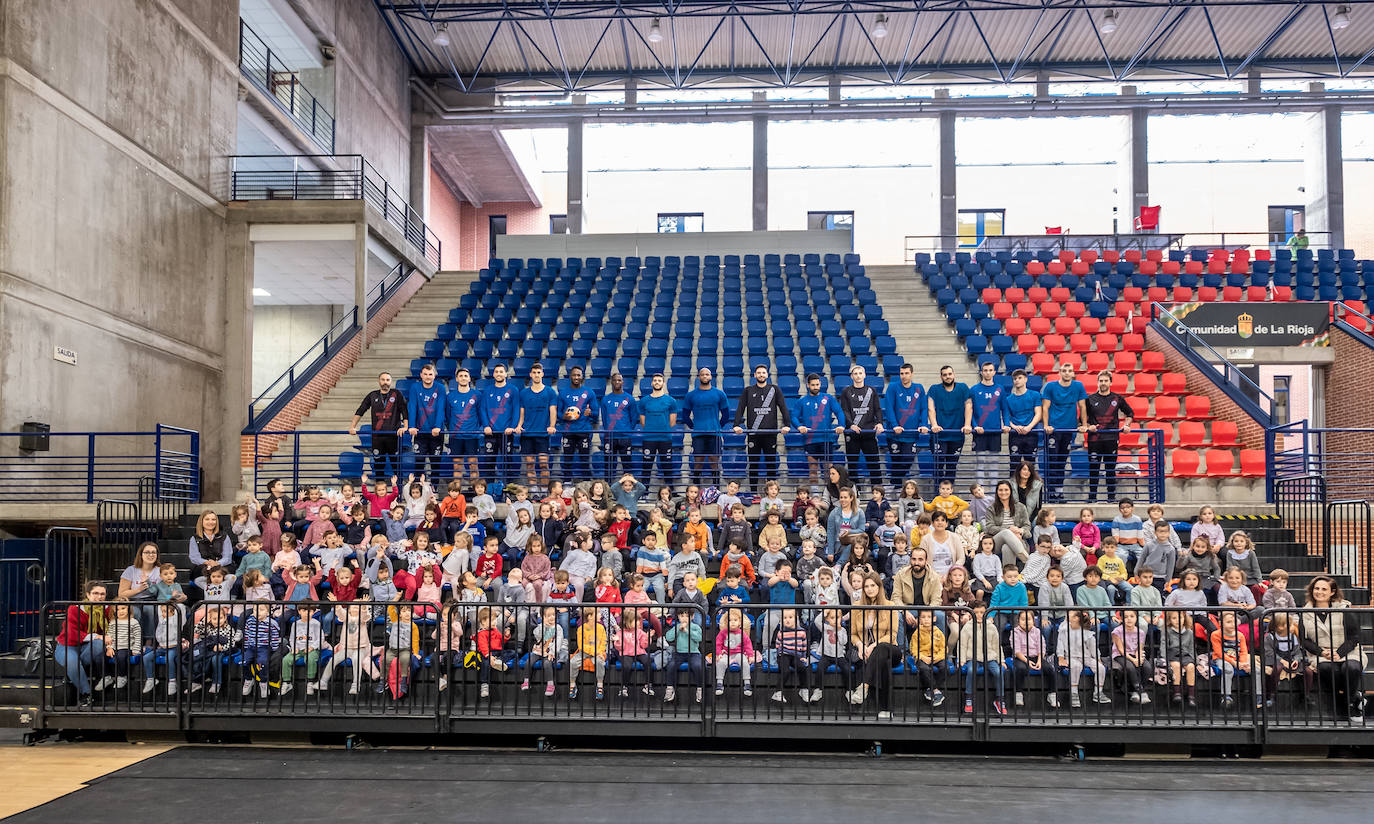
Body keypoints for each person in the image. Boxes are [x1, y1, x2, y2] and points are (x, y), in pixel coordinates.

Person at [1300, 575, 1365, 721]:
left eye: (1324, 589)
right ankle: (1354, 697)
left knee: (1351, 668)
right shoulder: (1305, 612)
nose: (1319, 592)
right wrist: (1321, 652)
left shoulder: (1344, 609)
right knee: (1327, 669)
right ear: (1312, 590)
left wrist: (1339, 652)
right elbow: (1303, 640)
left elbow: (1354, 637)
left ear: (1332, 592)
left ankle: (1350, 705)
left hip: (1348, 650)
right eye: (1317, 588)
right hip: (1321, 653)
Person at [850, 573, 902, 719]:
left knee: (881, 649)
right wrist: (860, 645)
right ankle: (885, 708)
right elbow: (853, 634)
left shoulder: (890, 606)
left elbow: (892, 634)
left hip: (890, 648)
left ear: (879, 587)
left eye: (873, 585)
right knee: (883, 663)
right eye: (866, 586)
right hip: (867, 650)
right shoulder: (856, 607)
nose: (869, 589)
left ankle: (864, 686)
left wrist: (873, 645)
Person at [733, 365, 792, 494]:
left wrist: (787, 424)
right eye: (758, 373)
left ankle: (772, 492)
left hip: (770, 434)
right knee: (753, 464)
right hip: (753, 433)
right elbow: (740, 408)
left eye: (763, 372)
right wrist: (736, 424)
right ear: (754, 375)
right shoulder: (748, 390)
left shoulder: (774, 390)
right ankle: (753, 492)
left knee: (771, 464)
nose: (761, 375)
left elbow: (783, 407)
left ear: (767, 374)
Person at [56, 581, 109, 706]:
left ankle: (72, 674)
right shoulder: (75, 608)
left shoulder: (107, 609)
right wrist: (97, 636)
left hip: (88, 646)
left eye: (103, 594)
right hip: (68, 644)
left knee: (98, 645)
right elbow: (71, 633)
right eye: (95, 593)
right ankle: (86, 694)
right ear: (87, 594)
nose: (99, 597)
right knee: (72, 661)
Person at [1040, 362, 1087, 502]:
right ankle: (1050, 493)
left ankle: (1059, 492)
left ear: (1073, 373)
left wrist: (1084, 425)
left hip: (1069, 429)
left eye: (1070, 370)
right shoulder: (1050, 386)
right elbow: (1045, 407)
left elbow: (1082, 406)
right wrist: (1046, 425)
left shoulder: (1078, 386)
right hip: (1053, 430)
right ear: (1059, 372)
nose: (1067, 373)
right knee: (1051, 461)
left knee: (1062, 462)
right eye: (1064, 370)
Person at [1084, 371, 1132, 503]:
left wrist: (1127, 425)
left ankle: (1111, 498)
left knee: (1110, 469)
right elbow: (1082, 419)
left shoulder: (1117, 398)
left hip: (1111, 439)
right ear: (1098, 382)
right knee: (1094, 470)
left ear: (1110, 382)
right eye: (1101, 381)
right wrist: (1088, 426)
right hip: (1094, 440)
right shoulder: (1090, 399)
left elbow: (1130, 413)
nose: (1103, 383)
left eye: (1106, 381)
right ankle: (1092, 498)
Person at [349, 371, 408, 480]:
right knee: (378, 467)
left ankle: (398, 493)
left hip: (393, 437)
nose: (385, 382)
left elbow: (404, 410)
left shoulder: (397, 394)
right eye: (383, 379)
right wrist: (352, 426)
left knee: (396, 467)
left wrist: (405, 427)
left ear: (391, 381)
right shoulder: (373, 395)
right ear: (379, 381)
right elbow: (361, 410)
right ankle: (379, 495)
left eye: (387, 380)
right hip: (377, 437)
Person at [680, 367, 730, 486]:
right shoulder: (691, 395)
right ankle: (695, 489)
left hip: (715, 434)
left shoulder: (719, 394)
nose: (705, 376)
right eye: (702, 374)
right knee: (698, 462)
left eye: (707, 374)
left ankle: (716, 489)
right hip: (698, 435)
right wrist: (695, 426)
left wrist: (717, 426)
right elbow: (685, 415)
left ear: (711, 376)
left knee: (714, 462)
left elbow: (726, 414)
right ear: (698, 377)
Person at [839, 364, 885, 491]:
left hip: (869, 433)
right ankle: (854, 491)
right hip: (852, 434)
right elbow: (844, 410)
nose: (858, 375)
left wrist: (880, 422)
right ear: (851, 376)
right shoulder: (846, 391)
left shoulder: (871, 391)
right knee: (852, 464)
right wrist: (851, 425)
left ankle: (878, 491)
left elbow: (878, 409)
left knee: (874, 463)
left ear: (864, 375)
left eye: (860, 373)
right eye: (855, 373)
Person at [794, 373, 844, 489]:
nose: (815, 387)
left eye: (817, 384)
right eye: (813, 385)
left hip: (826, 439)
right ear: (808, 385)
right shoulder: (802, 401)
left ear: (820, 384)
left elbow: (839, 412)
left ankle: (829, 493)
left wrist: (841, 425)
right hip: (810, 440)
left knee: (829, 470)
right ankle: (815, 494)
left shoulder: (828, 398)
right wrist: (799, 426)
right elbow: (794, 417)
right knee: (813, 468)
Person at [883, 363, 929, 488]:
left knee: (908, 459)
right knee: (896, 461)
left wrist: (923, 424)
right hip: (894, 434)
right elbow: (889, 408)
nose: (904, 376)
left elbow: (924, 408)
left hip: (911, 433)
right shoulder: (893, 387)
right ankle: (897, 488)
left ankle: (894, 483)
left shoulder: (919, 388)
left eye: (907, 373)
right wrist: (894, 425)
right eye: (902, 373)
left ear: (912, 374)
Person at [927, 365, 972, 486]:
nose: (948, 377)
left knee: (952, 465)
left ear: (954, 374)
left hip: (957, 435)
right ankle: (938, 492)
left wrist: (967, 424)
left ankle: (949, 493)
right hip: (939, 436)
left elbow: (968, 405)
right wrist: (934, 424)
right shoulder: (934, 389)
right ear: (941, 377)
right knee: (938, 464)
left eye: (949, 374)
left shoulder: (962, 388)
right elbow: (931, 408)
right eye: (945, 375)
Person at [516, 362, 559, 491]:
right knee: (530, 464)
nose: (536, 375)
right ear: (530, 374)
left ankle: (545, 490)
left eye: (538, 372)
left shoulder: (550, 392)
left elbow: (553, 410)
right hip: (527, 433)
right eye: (534, 372)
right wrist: (519, 426)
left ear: (542, 374)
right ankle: (534, 489)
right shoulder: (523, 393)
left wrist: (552, 426)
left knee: (544, 464)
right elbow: (522, 412)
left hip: (543, 434)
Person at [479, 363, 520, 483]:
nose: (499, 374)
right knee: (489, 462)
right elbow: (483, 409)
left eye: (501, 371)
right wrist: (486, 426)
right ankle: (490, 489)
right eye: (496, 372)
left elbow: (516, 410)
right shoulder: (487, 390)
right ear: (493, 374)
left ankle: (508, 488)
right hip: (490, 433)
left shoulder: (513, 390)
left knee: (508, 461)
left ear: (506, 374)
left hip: (507, 433)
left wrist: (512, 427)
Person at [557, 365, 599, 482]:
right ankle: (566, 483)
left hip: (583, 431)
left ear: (582, 376)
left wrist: (589, 412)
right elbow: (558, 414)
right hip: (568, 431)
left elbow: (596, 413)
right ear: (570, 376)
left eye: (578, 375)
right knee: (567, 459)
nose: (576, 377)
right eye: (574, 375)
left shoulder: (589, 392)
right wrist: (564, 416)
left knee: (584, 460)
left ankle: (586, 483)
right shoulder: (563, 393)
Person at [407, 362, 447, 482]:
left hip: (436, 433)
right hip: (420, 432)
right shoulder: (415, 387)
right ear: (421, 375)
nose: (428, 376)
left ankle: (434, 489)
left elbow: (441, 408)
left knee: (436, 463)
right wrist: (412, 426)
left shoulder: (440, 388)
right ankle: (418, 489)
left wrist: (437, 427)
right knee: (419, 463)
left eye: (430, 374)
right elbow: (412, 406)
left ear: (434, 375)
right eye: (425, 374)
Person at [638, 373, 679, 488]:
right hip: (649, 438)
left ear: (663, 383)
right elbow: (642, 422)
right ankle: (644, 492)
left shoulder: (671, 401)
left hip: (665, 438)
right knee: (646, 466)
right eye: (655, 380)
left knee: (667, 466)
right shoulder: (644, 401)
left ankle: (670, 490)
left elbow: (672, 422)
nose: (657, 382)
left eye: (659, 380)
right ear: (652, 383)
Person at [969, 361, 1006, 492]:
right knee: (980, 463)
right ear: (981, 372)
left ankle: (993, 492)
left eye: (990, 370)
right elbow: (970, 411)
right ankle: (979, 491)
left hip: (995, 431)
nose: (988, 373)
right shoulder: (974, 389)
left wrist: (1006, 424)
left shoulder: (1000, 389)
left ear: (994, 372)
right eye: (985, 370)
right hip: (979, 432)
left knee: (994, 463)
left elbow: (1004, 409)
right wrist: (974, 426)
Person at [1000, 369, 1043, 473]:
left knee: (1031, 465)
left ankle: (1031, 489)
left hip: (1031, 434)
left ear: (1026, 379)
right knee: (1014, 465)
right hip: (1015, 435)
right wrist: (1014, 427)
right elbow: (1006, 417)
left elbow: (1038, 413)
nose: (1017, 380)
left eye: (1020, 378)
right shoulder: (1008, 399)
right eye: (1015, 379)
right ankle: (1013, 489)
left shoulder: (1035, 395)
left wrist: (1029, 427)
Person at [445, 367, 483, 482]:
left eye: (466, 376)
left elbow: (480, 415)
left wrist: (474, 428)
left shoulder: (477, 395)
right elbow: (448, 416)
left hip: (472, 436)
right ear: (456, 379)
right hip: (456, 437)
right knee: (457, 467)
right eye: (460, 376)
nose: (463, 378)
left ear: (470, 379)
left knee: (473, 466)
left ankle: (476, 492)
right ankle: (457, 494)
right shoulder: (450, 396)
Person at [600, 372, 639, 481]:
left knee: (627, 465)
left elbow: (634, 418)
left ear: (622, 382)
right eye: (615, 380)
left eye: (619, 380)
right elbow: (604, 418)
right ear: (611, 382)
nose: (617, 382)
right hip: (610, 437)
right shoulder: (605, 399)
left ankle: (628, 489)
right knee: (609, 465)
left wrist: (627, 430)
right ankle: (607, 488)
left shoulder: (629, 399)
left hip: (625, 437)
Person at [983, 480, 1031, 566]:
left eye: (1006, 490)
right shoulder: (991, 508)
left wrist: (1020, 531)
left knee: (1007, 548)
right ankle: (1028, 561)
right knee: (1006, 532)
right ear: (997, 492)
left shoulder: (1020, 507)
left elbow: (1027, 526)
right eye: (1000, 490)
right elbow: (990, 527)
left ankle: (1007, 575)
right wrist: (1009, 530)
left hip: (1019, 541)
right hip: (996, 542)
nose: (1003, 492)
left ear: (1011, 491)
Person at [663, 607, 705, 704]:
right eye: (682, 616)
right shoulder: (676, 627)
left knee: (698, 666)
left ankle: (700, 689)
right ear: (678, 617)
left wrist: (687, 630)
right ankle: (670, 688)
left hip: (693, 653)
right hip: (679, 653)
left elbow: (699, 638)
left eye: (687, 616)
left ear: (692, 616)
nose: (684, 618)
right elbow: (669, 638)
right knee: (671, 665)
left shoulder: (695, 627)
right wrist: (678, 629)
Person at [826, 486, 867, 566]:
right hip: (838, 543)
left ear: (851, 498)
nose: (843, 500)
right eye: (841, 497)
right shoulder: (834, 513)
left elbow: (862, 530)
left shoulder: (859, 512)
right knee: (849, 548)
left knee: (851, 546)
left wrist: (849, 532)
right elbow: (830, 533)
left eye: (845, 497)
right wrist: (830, 552)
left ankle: (838, 566)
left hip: (854, 542)